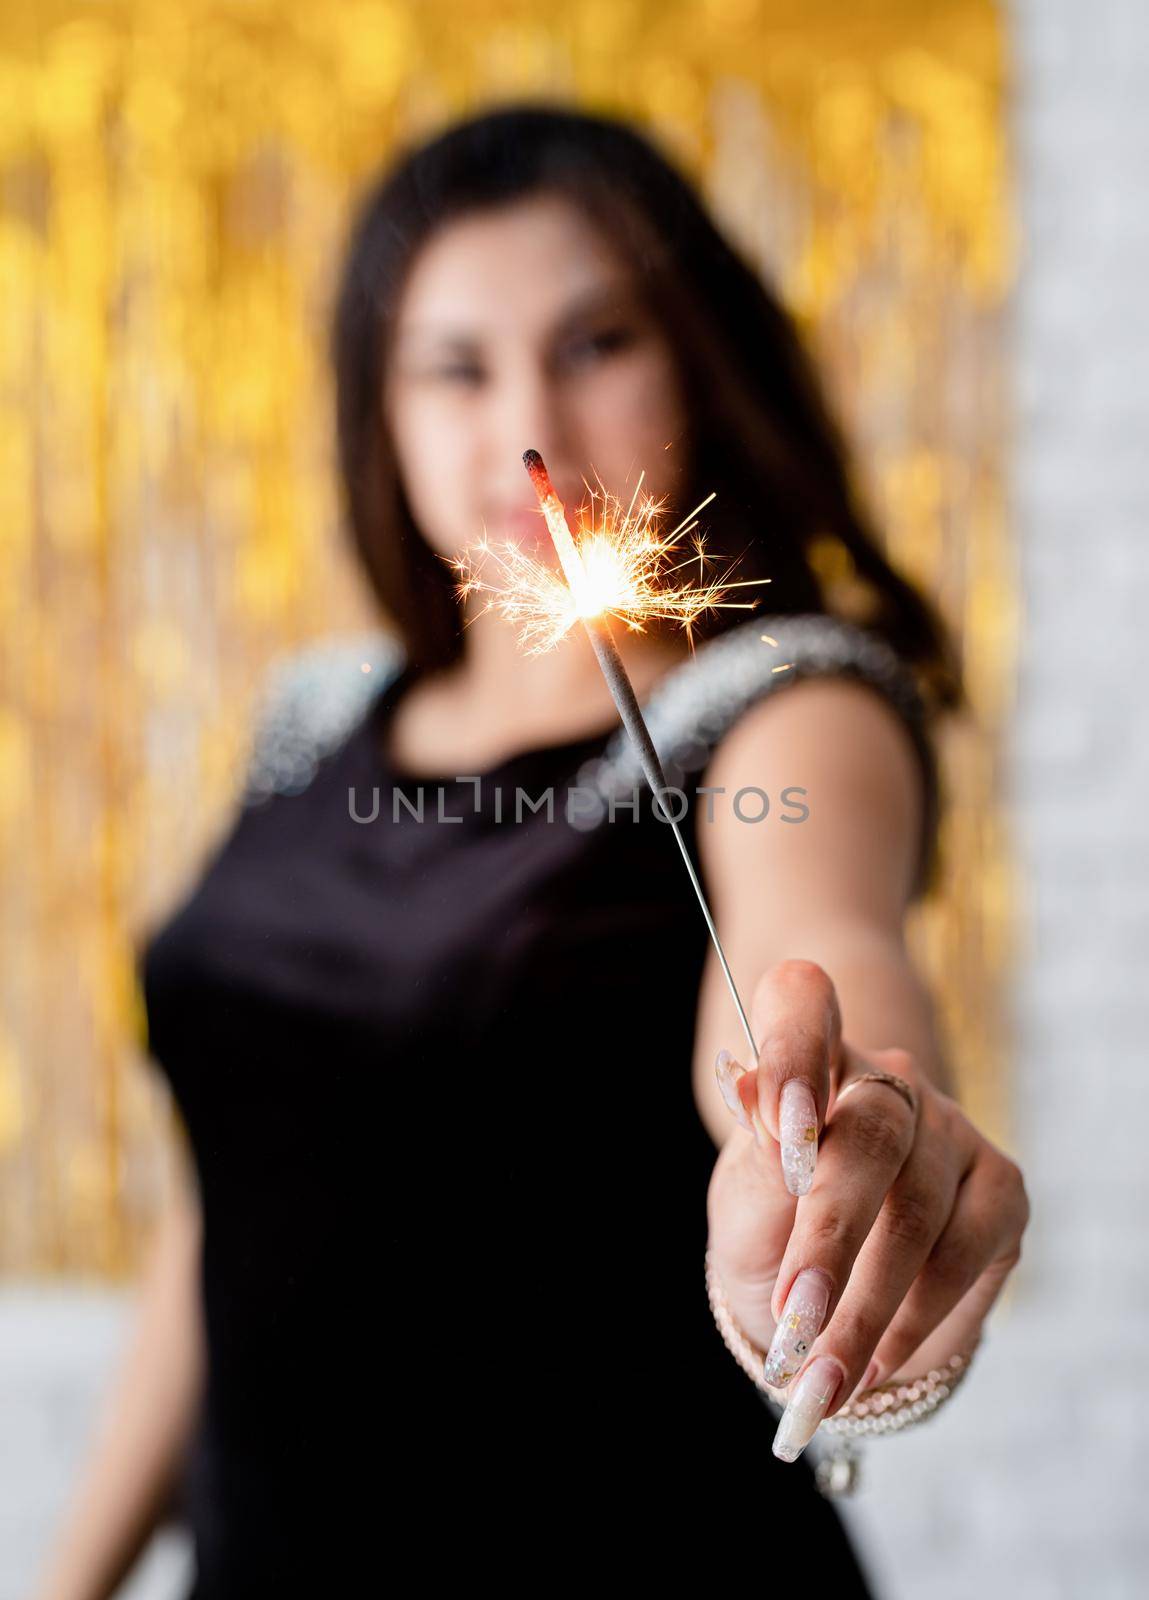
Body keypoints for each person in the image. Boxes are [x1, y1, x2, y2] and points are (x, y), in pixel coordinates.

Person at [35, 102, 1029, 1598]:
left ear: (697, 353)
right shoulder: (314, 718)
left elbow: (812, 965)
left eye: (596, 343)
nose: (530, 425)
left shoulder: (782, 710)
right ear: (379, 408)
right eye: (454, 365)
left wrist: (839, 1158)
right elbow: (231, 1205)